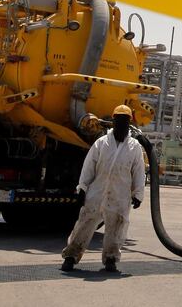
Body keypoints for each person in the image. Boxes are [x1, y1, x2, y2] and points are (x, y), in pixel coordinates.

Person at [61, 105, 145, 273]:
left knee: (116, 227)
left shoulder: (134, 146)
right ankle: (71, 256)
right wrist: (83, 188)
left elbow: (139, 171)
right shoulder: (102, 143)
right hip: (97, 192)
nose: (122, 123)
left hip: (120, 195)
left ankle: (111, 259)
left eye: (125, 120)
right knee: (85, 223)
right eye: (119, 120)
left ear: (129, 122)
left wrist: (138, 194)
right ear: (113, 121)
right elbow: (89, 166)